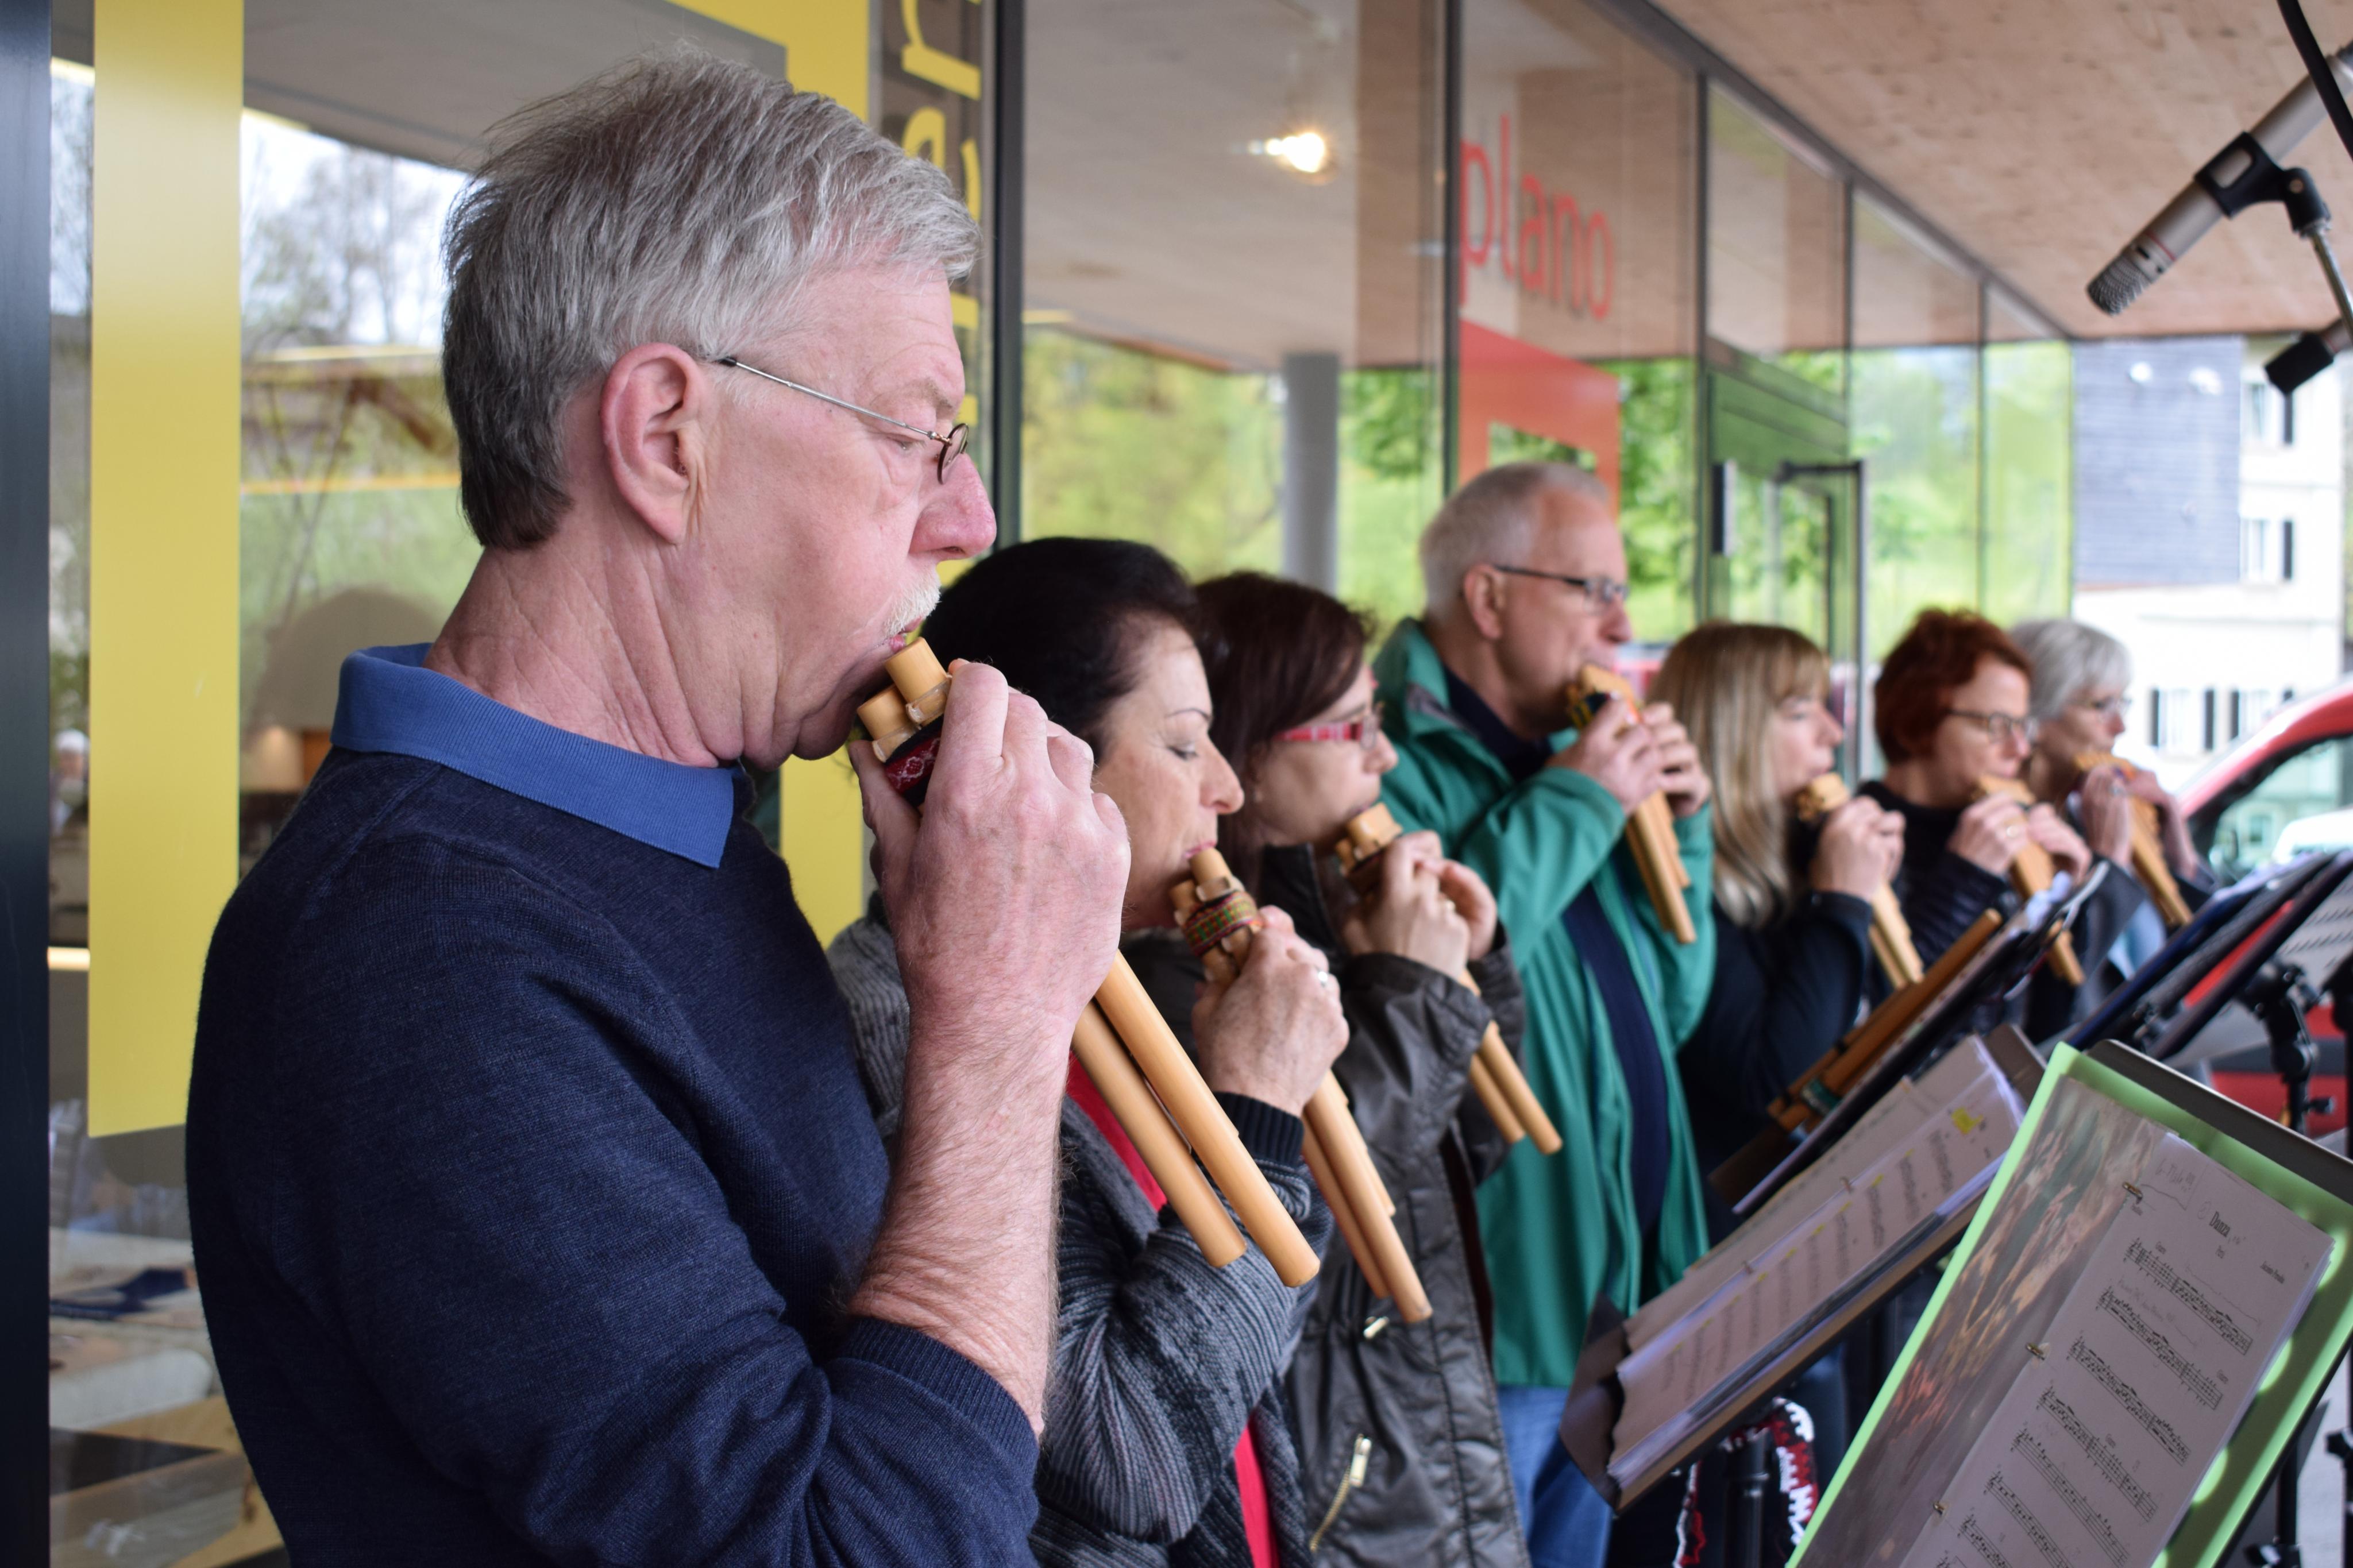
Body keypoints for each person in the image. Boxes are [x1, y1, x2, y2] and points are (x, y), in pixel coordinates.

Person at [186, 57, 1132, 1565]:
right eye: (917, 435)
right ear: (666, 437)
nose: (970, 520)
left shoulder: (672, 832)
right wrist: (1001, 1024)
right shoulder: (419, 959)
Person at [827, 538, 1349, 1566]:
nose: (1229, 790)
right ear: (1047, 767)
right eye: (1187, 744)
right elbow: (1130, 1457)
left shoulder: (1124, 983)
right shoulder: (897, 1024)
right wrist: (1256, 1113)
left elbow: (1257, 1337)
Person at [1371, 461, 1715, 1567]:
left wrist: (1683, 830)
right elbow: (1439, 957)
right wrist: (1577, 801)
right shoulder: (1384, 752)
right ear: (1487, 597)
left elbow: (1671, 1010)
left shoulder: (1573, 758)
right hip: (1505, 1318)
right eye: (1592, 590)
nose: (1620, 626)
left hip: (1623, 1298)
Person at [1194, 571, 1532, 1568]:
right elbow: (1320, 1209)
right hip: (1332, 1467)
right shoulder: (1188, 961)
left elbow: (1468, 1149)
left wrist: (1473, 968)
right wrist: (1413, 989)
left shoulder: (1324, 904)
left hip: (1414, 1428)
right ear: (1249, 752)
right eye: (1354, 728)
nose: (1384, 755)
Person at [1650, 623, 1903, 1222]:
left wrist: (1871, 893)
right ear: (1730, 734)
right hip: (1733, 1233)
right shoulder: (1682, 881)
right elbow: (1775, 1079)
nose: (1833, 733)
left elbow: (1889, 1036)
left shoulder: (1803, 857)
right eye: (1800, 712)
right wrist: (1844, 901)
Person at [1863, 609, 2138, 1040]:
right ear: (1917, 722)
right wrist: (1966, 878)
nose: (2020, 748)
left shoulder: (2004, 834)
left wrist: (2068, 901)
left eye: (2021, 726)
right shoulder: (1860, 839)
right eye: (1998, 726)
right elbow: (1882, 1026)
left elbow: (2046, 1031)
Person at [2011, 617, 2209, 973]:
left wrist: (2178, 850)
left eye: (2121, 704)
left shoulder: (2088, 814)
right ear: (2035, 715)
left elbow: (2194, 955)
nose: (2120, 727)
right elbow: (2066, 987)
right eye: (2101, 705)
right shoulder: (2010, 835)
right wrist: (2109, 864)